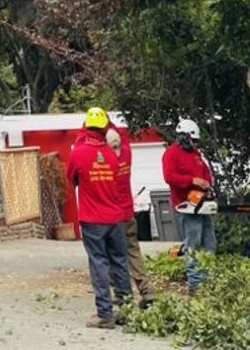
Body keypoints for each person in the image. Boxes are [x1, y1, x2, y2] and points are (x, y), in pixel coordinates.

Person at [65, 107, 133, 328]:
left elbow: (71, 178)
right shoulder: (112, 156)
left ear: (85, 126)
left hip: (93, 219)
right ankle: (128, 310)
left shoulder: (78, 152)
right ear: (105, 127)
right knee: (120, 262)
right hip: (116, 218)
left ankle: (105, 314)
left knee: (99, 264)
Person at [162, 117, 216, 294]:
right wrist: (191, 180)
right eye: (193, 140)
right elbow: (170, 177)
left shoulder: (196, 154)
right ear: (184, 137)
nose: (195, 144)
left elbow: (206, 173)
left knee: (209, 242)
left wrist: (207, 183)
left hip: (201, 203)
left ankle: (209, 280)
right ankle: (196, 284)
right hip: (185, 206)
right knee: (192, 244)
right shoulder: (171, 154)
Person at [106, 122, 153, 308]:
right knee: (133, 252)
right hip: (128, 214)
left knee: (114, 255)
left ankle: (121, 295)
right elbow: (122, 138)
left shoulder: (107, 162)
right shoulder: (126, 153)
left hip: (114, 217)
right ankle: (146, 291)